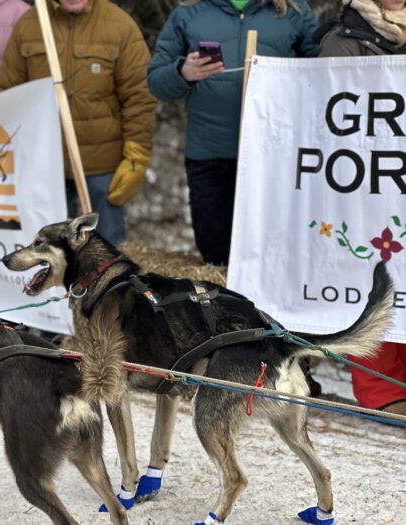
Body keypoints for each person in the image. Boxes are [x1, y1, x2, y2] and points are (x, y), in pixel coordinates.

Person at [147, 0, 319, 266]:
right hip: (210, 154)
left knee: (273, 254)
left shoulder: (292, 11)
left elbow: (323, 72)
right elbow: (157, 82)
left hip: (274, 155)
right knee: (217, 256)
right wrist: (183, 72)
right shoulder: (189, 12)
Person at [0, 0, 156, 246]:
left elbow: (139, 97)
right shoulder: (30, 25)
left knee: (105, 250)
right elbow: (10, 93)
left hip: (101, 165)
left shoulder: (119, 25)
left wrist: (137, 152)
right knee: (44, 247)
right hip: (44, 166)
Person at [317, 0, 406, 418]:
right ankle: (382, 389)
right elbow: (329, 114)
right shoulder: (344, 40)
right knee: (377, 272)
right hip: (369, 182)